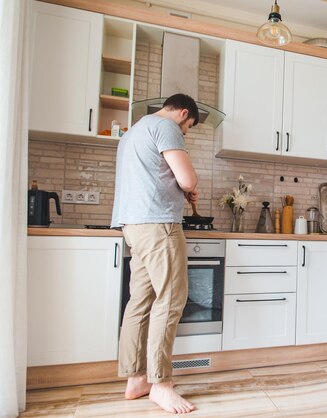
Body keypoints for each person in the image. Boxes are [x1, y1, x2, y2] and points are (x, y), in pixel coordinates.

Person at [111, 93, 200, 414]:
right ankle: (161, 384)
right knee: (172, 299)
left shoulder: (134, 130)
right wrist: (191, 186)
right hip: (158, 222)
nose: (185, 133)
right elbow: (187, 177)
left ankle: (136, 379)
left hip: (133, 224)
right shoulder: (166, 126)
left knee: (141, 301)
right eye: (188, 128)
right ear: (183, 114)